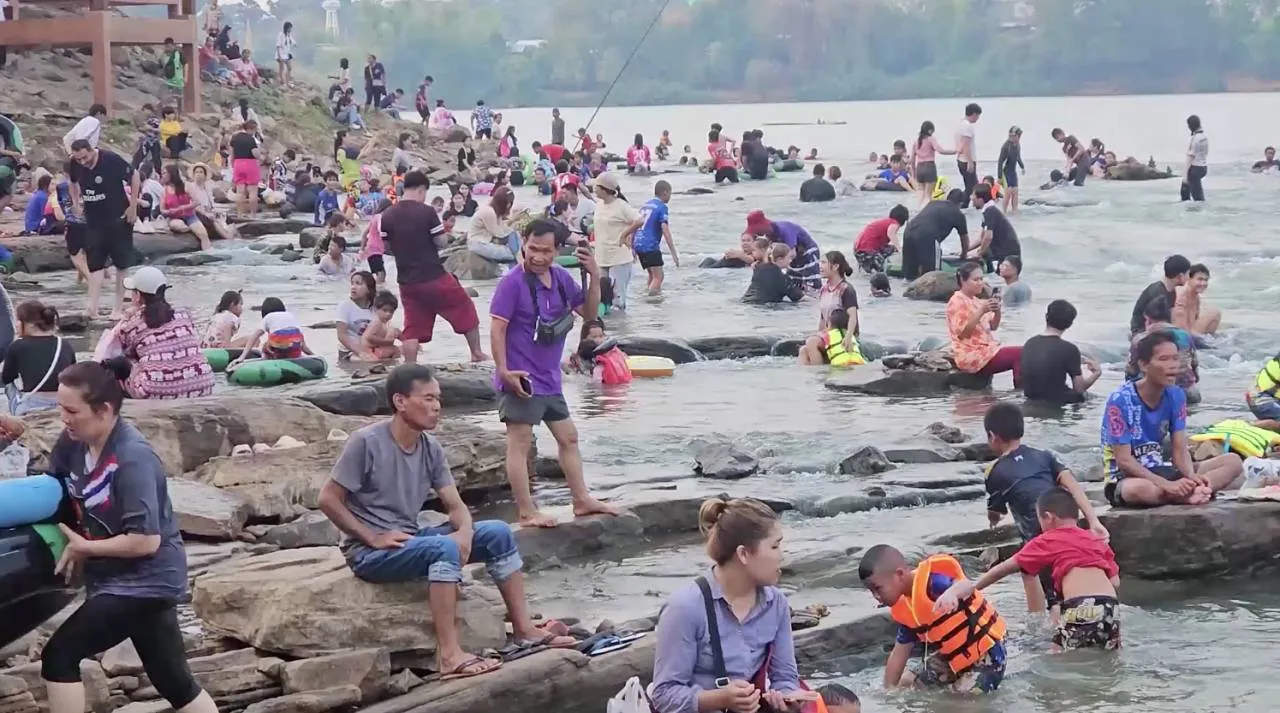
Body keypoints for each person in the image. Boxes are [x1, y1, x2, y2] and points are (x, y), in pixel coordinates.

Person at [318, 364, 576, 681]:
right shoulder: (366, 442)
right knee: (444, 548)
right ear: (400, 401)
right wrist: (371, 537)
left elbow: (455, 506)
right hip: (369, 553)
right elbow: (328, 499)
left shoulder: (430, 447)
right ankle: (450, 655)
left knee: (497, 532)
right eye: (428, 398)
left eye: (438, 398)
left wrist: (465, 533)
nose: (437, 406)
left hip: (409, 539)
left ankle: (524, 629)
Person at [31, 360, 219, 713]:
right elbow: (52, 485)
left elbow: (146, 540)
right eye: (61, 408)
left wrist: (86, 547)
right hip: (115, 579)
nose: (64, 418)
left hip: (146, 583)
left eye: (72, 411)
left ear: (104, 410)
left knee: (59, 657)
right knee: (173, 681)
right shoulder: (73, 443)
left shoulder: (133, 459)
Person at [490, 219, 617, 528]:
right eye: (533, 248)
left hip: (550, 379)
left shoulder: (560, 278)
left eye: (546, 251)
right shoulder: (512, 283)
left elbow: (590, 316)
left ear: (558, 250)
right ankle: (526, 511)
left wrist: (594, 277)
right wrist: (504, 370)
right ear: (523, 242)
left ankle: (581, 500)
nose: (538, 257)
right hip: (521, 378)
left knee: (569, 438)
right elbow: (497, 328)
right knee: (519, 443)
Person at [651, 498, 808, 713]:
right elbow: (663, 695)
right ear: (743, 554)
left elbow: (784, 677)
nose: (781, 556)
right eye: (775, 546)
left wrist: (787, 697)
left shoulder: (776, 603)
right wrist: (719, 699)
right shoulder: (685, 608)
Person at [935, 488, 1121, 652]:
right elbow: (1115, 582)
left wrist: (972, 588)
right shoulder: (1094, 539)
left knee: (1057, 656)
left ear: (1048, 517)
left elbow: (1003, 569)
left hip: (1080, 607)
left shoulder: (1048, 539)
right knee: (1107, 654)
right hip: (1111, 607)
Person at [981, 403, 1107, 614]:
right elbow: (1072, 485)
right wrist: (1093, 521)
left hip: (1039, 537)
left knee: (1038, 583)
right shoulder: (1044, 456)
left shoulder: (994, 472)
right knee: (1063, 581)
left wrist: (992, 520)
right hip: (1066, 527)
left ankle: (1038, 625)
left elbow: (997, 511)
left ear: (993, 437)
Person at [1101, 331, 1244, 508]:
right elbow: (1124, 461)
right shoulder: (1120, 400)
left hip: (1162, 468)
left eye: (1175, 359)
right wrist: (1166, 484)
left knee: (1232, 461)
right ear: (1144, 365)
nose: (1172, 366)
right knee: (1137, 490)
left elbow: (1179, 448)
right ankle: (1184, 494)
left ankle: (1194, 490)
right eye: (1163, 359)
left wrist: (1191, 476)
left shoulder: (1176, 395)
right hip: (1127, 478)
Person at [858, 544, 1007, 693]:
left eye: (878, 588)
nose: (876, 596)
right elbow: (899, 654)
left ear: (899, 574)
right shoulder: (907, 609)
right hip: (953, 657)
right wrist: (887, 691)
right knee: (906, 682)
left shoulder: (933, 583)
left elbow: (966, 585)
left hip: (986, 653)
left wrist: (952, 593)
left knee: (964, 700)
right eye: (871, 591)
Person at [381, 171, 487, 363]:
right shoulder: (427, 212)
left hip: (406, 282)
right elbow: (441, 242)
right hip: (433, 276)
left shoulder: (387, 215)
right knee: (464, 307)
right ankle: (476, 353)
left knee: (412, 325)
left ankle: (410, 365)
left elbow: (387, 248)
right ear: (422, 190)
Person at [114, 267, 215, 400]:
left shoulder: (132, 324)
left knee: (121, 363)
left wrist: (126, 318)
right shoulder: (183, 313)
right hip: (203, 386)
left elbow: (123, 352)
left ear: (137, 296)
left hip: (155, 392)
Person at [67, 139, 140, 320]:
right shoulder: (75, 163)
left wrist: (133, 206)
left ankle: (117, 309)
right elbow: (72, 181)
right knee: (94, 264)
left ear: (91, 150)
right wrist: (76, 203)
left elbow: (134, 175)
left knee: (121, 264)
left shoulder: (110, 159)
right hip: (94, 221)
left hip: (118, 218)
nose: (82, 162)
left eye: (85, 158)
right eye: (78, 159)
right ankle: (92, 307)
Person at [947, 262, 1020, 385]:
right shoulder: (957, 301)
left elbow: (993, 326)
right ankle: (1020, 390)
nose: (980, 283)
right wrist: (981, 311)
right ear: (963, 280)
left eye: (981, 279)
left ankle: (1021, 388)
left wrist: (997, 311)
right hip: (969, 353)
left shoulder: (977, 301)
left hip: (986, 349)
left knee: (1024, 352)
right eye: (975, 280)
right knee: (1020, 354)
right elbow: (963, 334)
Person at [1020, 299, 1100, 404]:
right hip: (1056, 400)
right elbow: (1079, 389)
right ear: (1070, 324)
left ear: (1046, 317)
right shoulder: (1070, 349)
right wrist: (1097, 373)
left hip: (1030, 397)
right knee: (1094, 399)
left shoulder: (1029, 343)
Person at [3, 301, 74, 415]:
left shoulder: (18, 346)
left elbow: (7, 377)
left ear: (31, 324)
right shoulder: (64, 344)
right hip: (61, 401)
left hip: (33, 404)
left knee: (9, 386)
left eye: (18, 320)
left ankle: (16, 411)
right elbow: (73, 374)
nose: (16, 324)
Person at [1126, 296, 1199, 401]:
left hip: (1155, 393)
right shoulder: (1185, 335)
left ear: (1148, 319)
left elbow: (1131, 370)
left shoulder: (1140, 339)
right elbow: (1194, 363)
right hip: (1187, 391)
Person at [589, 172, 642, 310]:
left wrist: (625, 234)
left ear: (605, 189)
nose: (594, 189)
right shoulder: (599, 204)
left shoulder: (621, 206)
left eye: (596, 186)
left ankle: (620, 323)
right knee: (602, 297)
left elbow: (639, 220)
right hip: (601, 256)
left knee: (617, 300)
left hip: (619, 259)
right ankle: (607, 323)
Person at [799, 252, 861, 365]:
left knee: (811, 342)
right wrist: (818, 333)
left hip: (843, 333)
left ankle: (819, 373)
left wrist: (848, 337)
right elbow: (823, 318)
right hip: (829, 332)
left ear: (835, 266)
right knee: (803, 350)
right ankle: (809, 375)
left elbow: (853, 317)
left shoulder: (846, 289)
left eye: (823, 263)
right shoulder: (824, 289)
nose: (820, 266)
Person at [900, 189, 970, 280]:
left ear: (947, 198)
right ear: (961, 204)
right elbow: (964, 239)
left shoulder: (933, 203)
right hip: (927, 236)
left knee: (909, 275)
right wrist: (963, 255)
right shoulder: (958, 214)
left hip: (909, 230)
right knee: (933, 275)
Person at [744, 210, 820, 292]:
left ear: (763, 227)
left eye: (758, 232)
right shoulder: (767, 235)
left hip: (807, 251)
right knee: (793, 283)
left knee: (811, 284)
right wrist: (761, 263)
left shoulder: (784, 230)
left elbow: (791, 253)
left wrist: (773, 267)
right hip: (789, 256)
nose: (758, 234)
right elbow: (769, 253)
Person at [231, 297, 313, 368]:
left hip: (277, 344)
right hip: (295, 344)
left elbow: (254, 337)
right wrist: (313, 355)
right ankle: (293, 358)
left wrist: (242, 357)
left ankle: (267, 362)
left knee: (265, 346)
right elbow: (302, 344)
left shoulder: (268, 317)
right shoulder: (291, 315)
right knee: (293, 342)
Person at [633, 180, 678, 296]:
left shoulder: (645, 205)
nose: (670, 197)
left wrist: (633, 246)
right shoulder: (662, 207)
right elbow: (665, 230)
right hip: (650, 245)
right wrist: (673, 253)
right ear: (665, 193)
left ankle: (648, 298)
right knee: (659, 277)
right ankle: (651, 300)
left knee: (652, 275)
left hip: (639, 243)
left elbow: (635, 224)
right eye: (670, 194)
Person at [1128, 254, 1190, 336]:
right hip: (1142, 333)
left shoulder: (1171, 291)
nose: (1189, 277)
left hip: (1157, 330)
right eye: (1188, 274)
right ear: (1180, 276)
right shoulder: (1157, 293)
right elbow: (1156, 323)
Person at [159, 165, 211, 251]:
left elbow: (196, 202)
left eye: (164, 173)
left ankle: (208, 252)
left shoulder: (186, 185)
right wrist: (170, 212)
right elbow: (162, 210)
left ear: (171, 174)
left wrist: (181, 208)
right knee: (179, 226)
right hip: (174, 217)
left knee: (204, 235)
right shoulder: (164, 191)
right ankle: (191, 230)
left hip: (190, 215)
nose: (162, 176)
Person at [972, 185, 1020, 274]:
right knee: (984, 252)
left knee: (1001, 277)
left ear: (980, 200)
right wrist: (965, 250)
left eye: (973, 196)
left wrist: (979, 253)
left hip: (1008, 253)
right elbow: (982, 238)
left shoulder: (990, 211)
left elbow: (988, 237)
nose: (971, 198)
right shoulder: (988, 210)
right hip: (1003, 250)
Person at [467, 186, 521, 264]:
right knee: (511, 254)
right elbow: (498, 233)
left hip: (485, 241)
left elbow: (502, 228)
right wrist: (512, 223)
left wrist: (513, 224)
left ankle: (519, 254)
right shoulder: (489, 212)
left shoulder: (495, 211)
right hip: (478, 244)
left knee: (514, 235)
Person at [910, 121, 955, 209]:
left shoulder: (916, 141)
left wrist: (913, 173)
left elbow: (912, 160)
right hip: (929, 167)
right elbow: (940, 151)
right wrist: (955, 151)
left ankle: (918, 209)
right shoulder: (931, 139)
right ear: (930, 130)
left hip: (919, 168)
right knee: (928, 195)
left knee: (921, 193)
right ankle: (926, 211)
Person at [853, 205, 908, 275]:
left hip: (858, 250)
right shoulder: (894, 223)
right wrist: (900, 249)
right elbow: (891, 233)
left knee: (891, 249)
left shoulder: (886, 222)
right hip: (867, 251)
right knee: (881, 273)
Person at [1172, 262, 1221, 336]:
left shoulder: (1196, 297)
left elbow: (1194, 320)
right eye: (1200, 279)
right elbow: (1178, 323)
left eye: (1206, 280)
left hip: (1190, 333)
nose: (1203, 283)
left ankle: (1208, 339)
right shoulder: (1181, 293)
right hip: (1182, 336)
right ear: (1189, 279)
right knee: (1215, 313)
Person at [229, 120, 261, 218]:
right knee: (252, 191)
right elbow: (255, 153)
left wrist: (233, 164)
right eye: (255, 130)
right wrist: (260, 156)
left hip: (238, 163)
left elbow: (232, 154)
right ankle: (252, 215)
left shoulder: (234, 138)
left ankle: (240, 214)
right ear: (251, 128)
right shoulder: (251, 139)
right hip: (250, 164)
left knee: (240, 191)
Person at [358, 291, 401, 360]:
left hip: (373, 350)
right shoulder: (377, 322)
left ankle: (388, 361)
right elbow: (369, 337)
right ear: (375, 309)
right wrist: (385, 342)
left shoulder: (385, 323)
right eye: (384, 310)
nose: (388, 314)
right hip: (369, 351)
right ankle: (392, 363)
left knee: (394, 339)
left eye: (391, 311)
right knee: (395, 349)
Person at [955, 103, 982, 207]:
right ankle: (963, 205)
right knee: (973, 187)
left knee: (969, 186)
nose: (978, 118)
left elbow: (961, 144)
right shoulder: (968, 126)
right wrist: (970, 162)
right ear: (974, 114)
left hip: (960, 159)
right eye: (978, 116)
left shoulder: (960, 124)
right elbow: (966, 145)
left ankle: (964, 205)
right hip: (966, 160)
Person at [997, 126, 1024, 214]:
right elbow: (1000, 162)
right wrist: (999, 177)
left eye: (1013, 136)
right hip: (1005, 172)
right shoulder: (1006, 147)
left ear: (1018, 136)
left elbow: (1018, 157)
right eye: (1010, 136)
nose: (1011, 138)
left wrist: (1022, 166)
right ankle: (1003, 211)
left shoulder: (1018, 145)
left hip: (1013, 172)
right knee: (1008, 193)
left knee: (1015, 192)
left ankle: (1015, 210)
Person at [1181, 114, 1208, 202]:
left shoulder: (1194, 138)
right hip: (1203, 167)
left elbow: (1190, 157)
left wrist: (1185, 176)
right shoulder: (1204, 137)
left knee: (1196, 198)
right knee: (1198, 194)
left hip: (1194, 169)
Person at [160, 38, 185, 111]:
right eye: (166, 46)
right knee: (169, 97)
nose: (168, 47)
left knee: (179, 97)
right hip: (168, 79)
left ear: (173, 46)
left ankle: (180, 113)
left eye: (169, 46)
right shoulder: (163, 55)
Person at [275, 21, 295, 85]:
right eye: (289, 28)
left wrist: (295, 44)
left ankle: (287, 80)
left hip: (286, 54)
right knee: (282, 68)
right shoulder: (281, 35)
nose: (290, 29)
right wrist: (279, 56)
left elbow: (292, 41)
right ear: (286, 27)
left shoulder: (289, 35)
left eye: (291, 28)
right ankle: (282, 81)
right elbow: (278, 45)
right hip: (281, 53)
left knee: (290, 67)